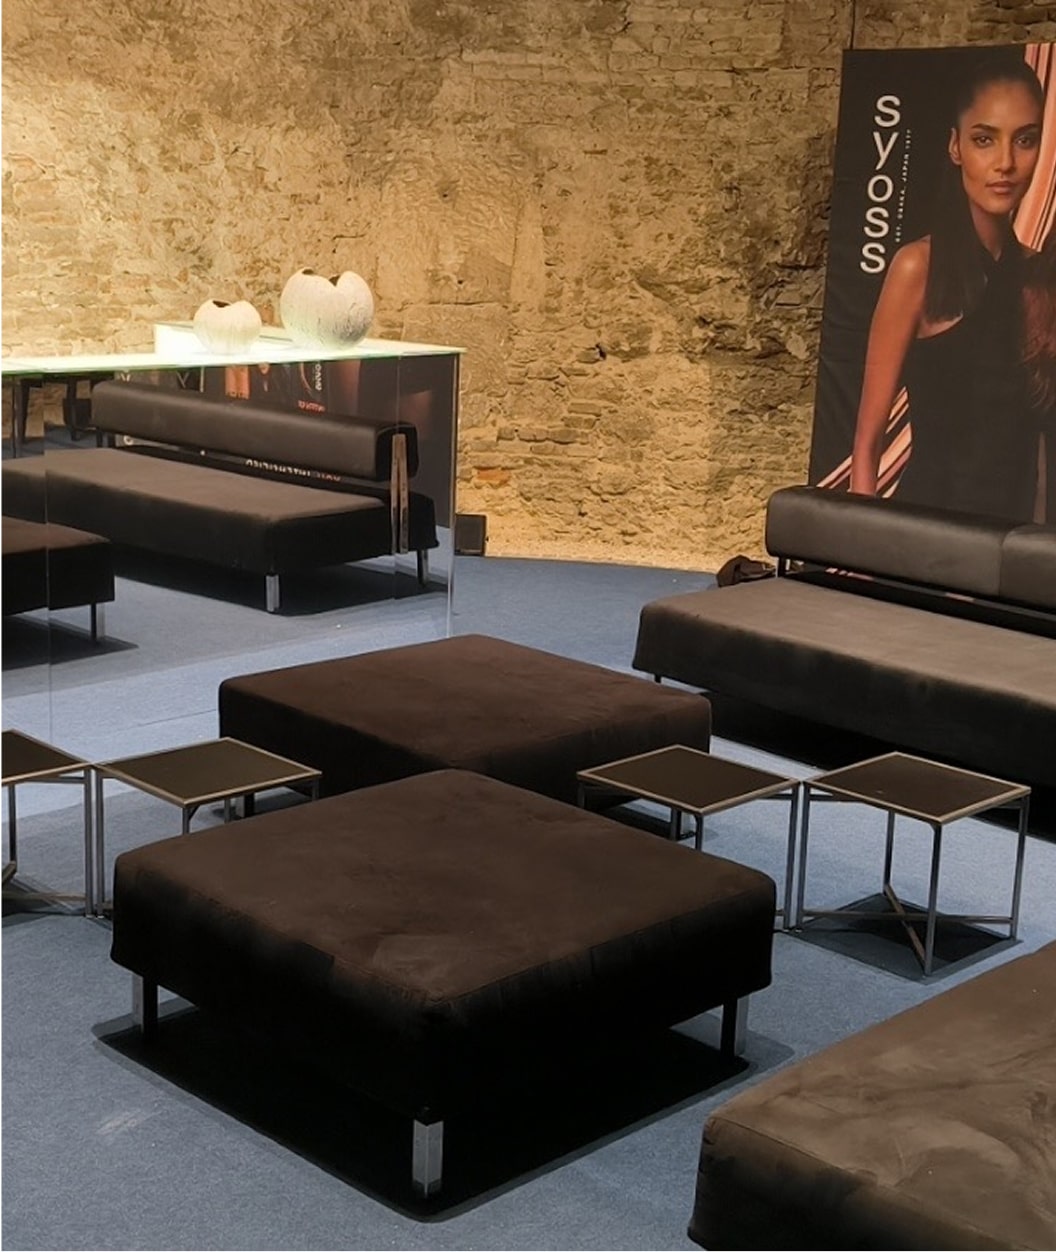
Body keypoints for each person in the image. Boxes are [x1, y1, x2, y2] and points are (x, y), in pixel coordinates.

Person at [849, 53, 1045, 522]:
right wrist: (858, 547)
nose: (1005, 163)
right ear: (956, 146)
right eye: (984, 139)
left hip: (1013, 544)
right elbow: (867, 441)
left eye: (1025, 140)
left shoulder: (1040, 276)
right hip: (925, 534)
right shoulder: (916, 268)